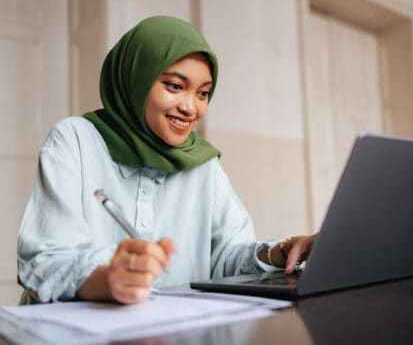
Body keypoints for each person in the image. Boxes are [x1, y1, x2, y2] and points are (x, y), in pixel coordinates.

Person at [17, 16, 317, 304]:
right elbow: (43, 261)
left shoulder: (202, 163)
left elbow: (226, 259)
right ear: (136, 77)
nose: (190, 107)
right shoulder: (76, 139)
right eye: (174, 86)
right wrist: (108, 279)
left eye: (203, 93)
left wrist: (280, 251)